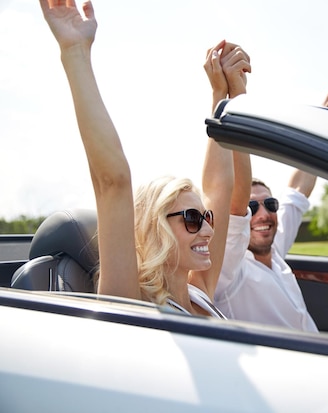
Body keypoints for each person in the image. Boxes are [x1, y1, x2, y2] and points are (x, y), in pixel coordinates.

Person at [39, 0, 250, 317]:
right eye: (192, 219)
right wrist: (75, 52)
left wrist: (224, 97)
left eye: (206, 218)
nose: (207, 230)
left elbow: (220, 187)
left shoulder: (200, 293)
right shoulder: (132, 303)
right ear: (155, 228)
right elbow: (113, 182)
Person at [215, 87, 328, 332]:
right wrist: (231, 101)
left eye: (270, 204)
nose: (263, 214)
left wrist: (321, 128)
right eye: (251, 207)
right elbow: (233, 200)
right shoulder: (228, 269)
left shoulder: (275, 248)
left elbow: (298, 187)